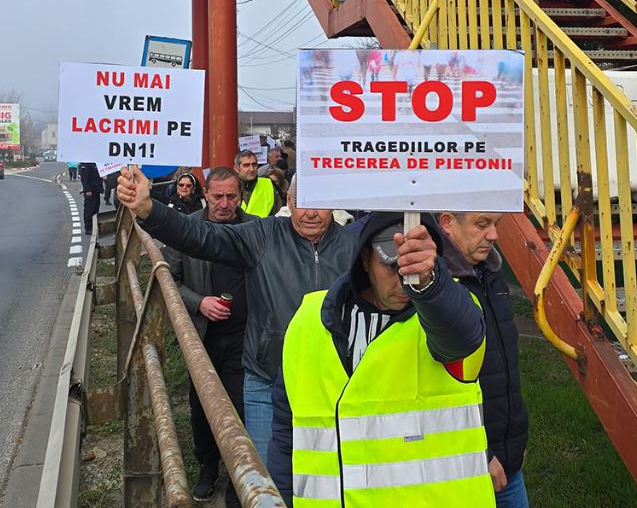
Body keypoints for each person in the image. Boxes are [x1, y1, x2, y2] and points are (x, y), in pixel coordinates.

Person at [116, 171, 357, 461]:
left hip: (333, 382)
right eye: (303, 202)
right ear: (290, 201)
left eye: (320, 203)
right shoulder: (263, 235)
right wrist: (149, 210)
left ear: (334, 205)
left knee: (323, 469)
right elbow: (202, 236)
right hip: (266, 379)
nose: (311, 213)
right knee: (265, 469)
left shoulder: (355, 248)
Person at [269, 212, 493, 506]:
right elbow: (288, 432)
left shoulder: (451, 313)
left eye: (414, 268)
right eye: (392, 266)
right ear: (365, 259)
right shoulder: (308, 321)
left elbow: (461, 336)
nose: (405, 281)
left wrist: (430, 284)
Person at [165, 167, 254, 505]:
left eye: (231, 196)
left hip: (245, 335)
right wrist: (199, 302)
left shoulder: (255, 227)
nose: (224, 203)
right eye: (217, 196)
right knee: (202, 405)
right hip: (200, 336)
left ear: (240, 196)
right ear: (206, 196)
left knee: (240, 405)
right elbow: (169, 278)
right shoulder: (188, 229)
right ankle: (207, 467)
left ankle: (239, 476)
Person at [439, 211, 530, 508]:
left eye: (496, 225)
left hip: (506, 461)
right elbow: (442, 389)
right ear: (447, 222)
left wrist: (515, 440)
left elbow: (502, 367)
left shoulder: (490, 273)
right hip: (468, 465)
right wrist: (482, 453)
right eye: (482, 224)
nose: (494, 236)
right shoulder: (436, 288)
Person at [235, 149, 280, 217]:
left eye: (254, 164)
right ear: (236, 168)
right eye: (246, 165)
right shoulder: (230, 187)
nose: (252, 169)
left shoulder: (268, 184)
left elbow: (279, 213)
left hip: (265, 226)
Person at [78, 162, 102, 235]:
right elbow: (84, 178)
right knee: (89, 210)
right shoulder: (85, 164)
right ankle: (88, 228)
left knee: (95, 209)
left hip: (96, 190)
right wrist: (87, 189)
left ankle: (94, 226)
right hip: (90, 191)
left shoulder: (95, 163)